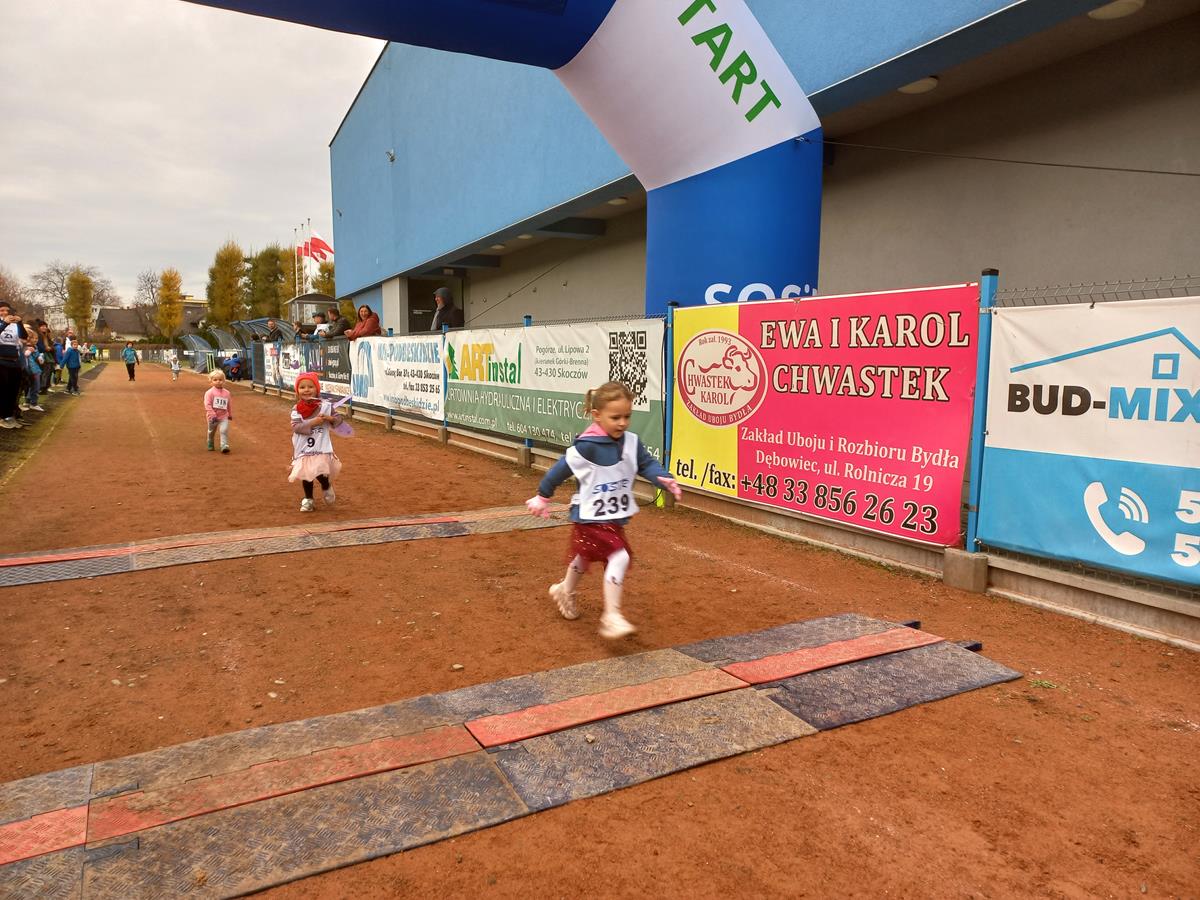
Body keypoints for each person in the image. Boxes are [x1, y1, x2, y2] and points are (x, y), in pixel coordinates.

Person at [525, 382, 682, 639]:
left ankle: (565, 589)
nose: (623, 423)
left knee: (584, 554)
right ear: (597, 415)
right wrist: (543, 496)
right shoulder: (587, 446)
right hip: (589, 515)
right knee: (619, 557)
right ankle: (611, 615)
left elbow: (646, 464)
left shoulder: (631, 442)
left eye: (627, 416)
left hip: (612, 516)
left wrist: (664, 478)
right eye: (615, 417)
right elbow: (560, 469)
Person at [288, 372, 343, 512]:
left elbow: (338, 421)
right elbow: (296, 427)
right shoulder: (296, 409)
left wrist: (329, 418)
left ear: (317, 389)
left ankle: (326, 485)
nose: (306, 390)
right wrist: (313, 422)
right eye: (302, 387)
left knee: (318, 469)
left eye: (310, 387)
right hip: (304, 448)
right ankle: (308, 499)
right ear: (297, 391)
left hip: (321, 446)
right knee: (306, 473)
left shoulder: (325, 406)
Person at [0, 301, 29, 429]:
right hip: (1, 360)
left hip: (14, 360)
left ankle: (9, 416)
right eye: (2, 310)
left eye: (7, 310)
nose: (5, 312)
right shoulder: (3, 323)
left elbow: (24, 337)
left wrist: (20, 323)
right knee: (3, 390)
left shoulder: (14, 325)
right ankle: (2, 417)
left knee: (13, 390)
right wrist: (4, 323)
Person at [204, 369, 233, 453]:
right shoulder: (209, 393)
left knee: (224, 430)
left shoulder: (227, 393)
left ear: (224, 380)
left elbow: (228, 404)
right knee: (211, 431)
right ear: (211, 381)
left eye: (220, 379)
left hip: (223, 416)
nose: (218, 381)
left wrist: (230, 414)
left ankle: (224, 445)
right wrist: (212, 415)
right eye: (215, 380)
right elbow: (207, 405)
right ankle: (210, 441)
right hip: (212, 417)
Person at [34, 322, 55, 395]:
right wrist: (46, 349)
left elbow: (52, 346)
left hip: (49, 356)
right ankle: (42, 388)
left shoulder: (47, 336)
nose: (44, 328)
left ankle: (45, 388)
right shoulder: (38, 335)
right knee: (44, 373)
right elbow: (39, 347)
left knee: (48, 372)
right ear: (39, 327)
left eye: (45, 326)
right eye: (42, 326)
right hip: (41, 356)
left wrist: (50, 348)